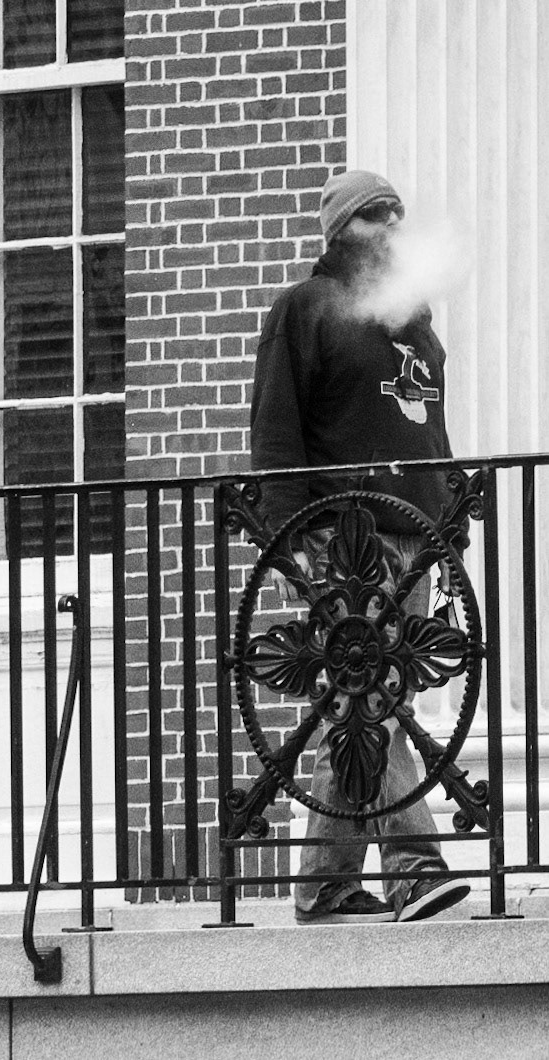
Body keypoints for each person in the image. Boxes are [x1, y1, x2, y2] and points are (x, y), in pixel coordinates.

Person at [249, 169, 471, 925]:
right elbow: (275, 433)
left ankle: (324, 883)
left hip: (412, 536)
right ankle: (414, 867)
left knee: (355, 700)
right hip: (342, 539)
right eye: (377, 214)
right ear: (341, 227)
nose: (394, 225)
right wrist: (288, 542)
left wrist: (448, 527)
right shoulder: (304, 308)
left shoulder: (412, 320)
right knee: (371, 693)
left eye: (398, 212)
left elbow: (431, 434)